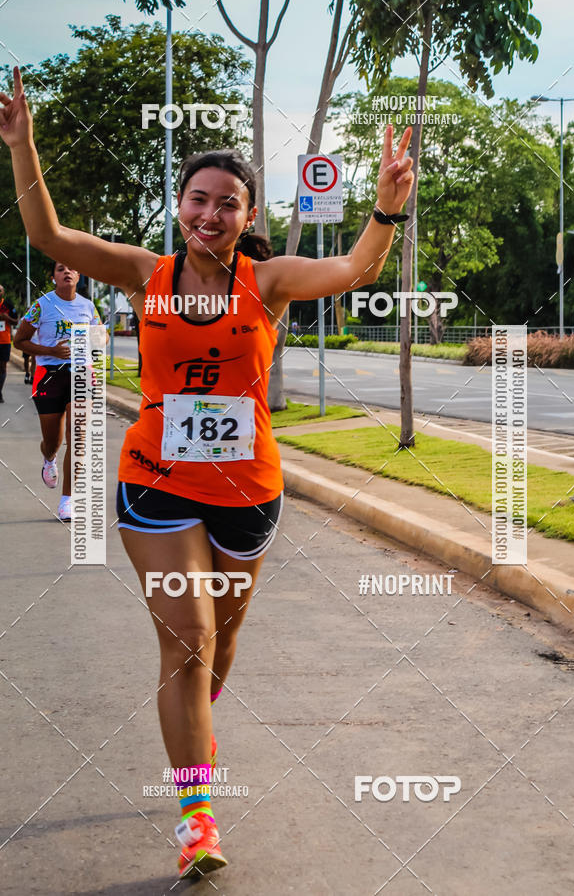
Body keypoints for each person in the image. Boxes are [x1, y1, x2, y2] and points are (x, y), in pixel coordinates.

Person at [0, 66, 414, 878]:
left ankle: (196, 723)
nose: (210, 213)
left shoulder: (269, 284)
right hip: (155, 481)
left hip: (248, 492)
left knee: (219, 650)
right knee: (187, 645)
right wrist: (25, 147)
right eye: (198, 199)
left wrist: (387, 204)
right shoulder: (144, 275)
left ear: (247, 216)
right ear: (179, 207)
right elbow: (50, 237)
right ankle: (197, 813)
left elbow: (356, 269)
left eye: (228, 202)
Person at [13, 261, 104, 521]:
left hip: (82, 373)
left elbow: (101, 337)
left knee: (78, 437)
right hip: (49, 374)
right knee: (53, 441)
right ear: (53, 277)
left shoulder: (88, 306)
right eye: (61, 269)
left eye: (72, 269)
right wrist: (51, 351)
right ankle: (49, 459)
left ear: (78, 276)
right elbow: (20, 341)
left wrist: (93, 338)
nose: (67, 272)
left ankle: (68, 500)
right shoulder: (42, 305)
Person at [0, 283, 19, 402]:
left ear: (3, 292)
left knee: (2, 367)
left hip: (4, 341)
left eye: (0, 291)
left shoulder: (8, 305)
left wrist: (7, 318)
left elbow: (16, 321)